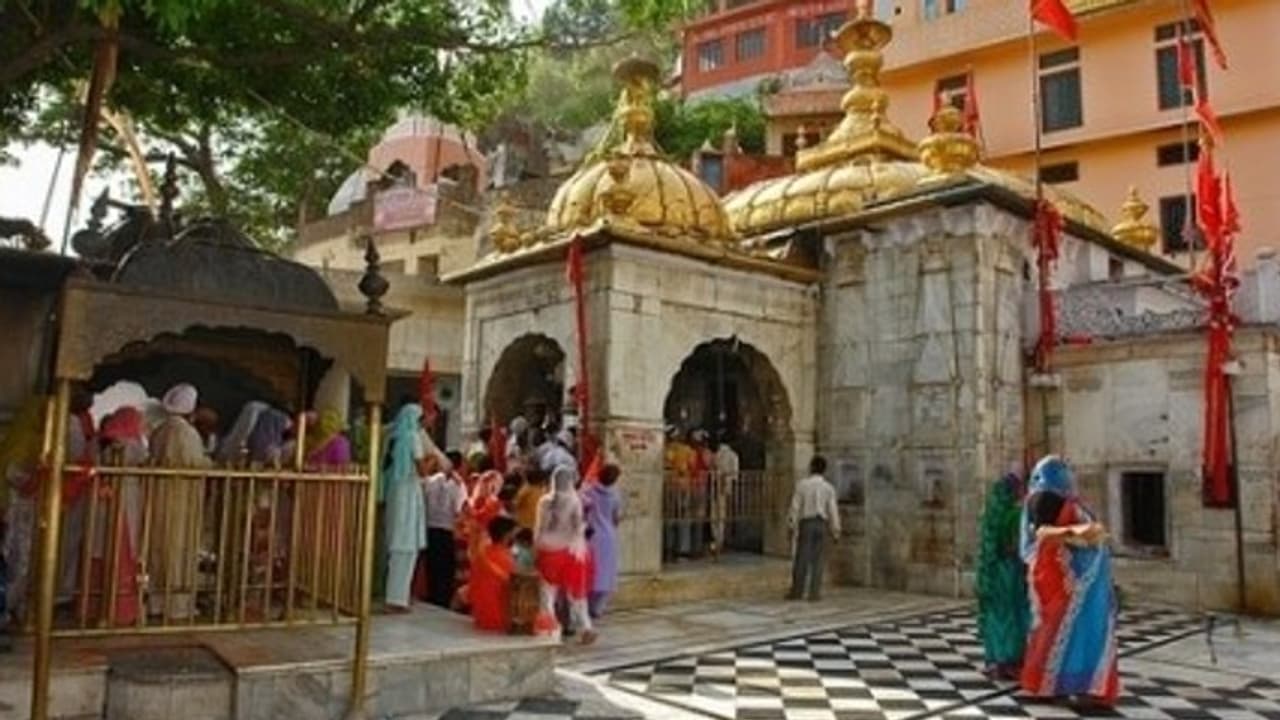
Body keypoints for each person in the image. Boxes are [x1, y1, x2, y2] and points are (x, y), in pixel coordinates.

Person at [1020, 455, 1119, 707]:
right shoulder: (1045, 498)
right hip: (1067, 581)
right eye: (1064, 469)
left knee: (1079, 632)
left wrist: (1088, 536)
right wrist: (1076, 533)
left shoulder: (1066, 500)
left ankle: (1073, 685)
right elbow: (1042, 533)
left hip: (1084, 582)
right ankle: (1063, 685)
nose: (1069, 472)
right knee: (1064, 632)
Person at [148, 383, 211, 619]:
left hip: (161, 497)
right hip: (181, 498)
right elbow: (194, 463)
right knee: (179, 547)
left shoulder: (160, 430)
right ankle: (178, 605)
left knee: (160, 547)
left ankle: (157, 601)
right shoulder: (186, 432)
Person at [91, 406, 145, 626]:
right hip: (124, 500)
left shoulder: (101, 441)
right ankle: (120, 611)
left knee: (101, 553)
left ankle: (96, 608)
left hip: (104, 501)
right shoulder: (129, 444)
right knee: (121, 552)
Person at [975, 472, 1029, 680]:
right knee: (1012, 616)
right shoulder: (1016, 514)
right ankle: (1011, 661)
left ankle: (995, 661)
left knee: (995, 616)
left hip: (992, 571)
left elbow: (988, 547)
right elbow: (1017, 546)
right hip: (1010, 571)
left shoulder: (991, 514)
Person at [533, 465, 595, 644]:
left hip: (547, 550)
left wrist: (536, 548)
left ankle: (551, 631)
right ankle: (586, 627)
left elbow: (539, 529)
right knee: (576, 593)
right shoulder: (575, 501)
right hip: (569, 551)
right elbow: (578, 527)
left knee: (547, 595)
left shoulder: (544, 501)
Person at [381, 403, 432, 612]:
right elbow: (422, 469)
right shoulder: (413, 437)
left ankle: (396, 596)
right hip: (409, 492)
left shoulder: (392, 438)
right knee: (406, 547)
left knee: (398, 547)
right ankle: (397, 599)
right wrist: (432, 460)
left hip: (395, 491)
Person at [1, 397, 44, 628]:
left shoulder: (41, 439)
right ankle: (7, 607)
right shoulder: (24, 438)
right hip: (20, 507)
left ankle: (18, 607)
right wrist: (35, 478)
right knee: (18, 557)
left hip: (35, 509)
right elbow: (12, 472)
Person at [57, 386, 97, 606]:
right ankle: (60, 592)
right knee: (66, 541)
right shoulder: (70, 423)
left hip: (68, 488)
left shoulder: (76, 421)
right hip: (69, 489)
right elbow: (75, 455)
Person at [787, 455, 840, 602]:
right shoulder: (828, 488)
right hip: (822, 523)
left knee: (802, 558)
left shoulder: (802, 485)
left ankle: (797, 591)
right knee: (818, 559)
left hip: (807, 522)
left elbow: (795, 506)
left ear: (811, 467)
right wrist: (836, 530)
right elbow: (832, 510)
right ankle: (814, 593)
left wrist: (791, 524)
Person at [424, 459, 466, 609]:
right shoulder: (458, 485)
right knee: (446, 568)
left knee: (433, 565)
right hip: (447, 529)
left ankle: (433, 596)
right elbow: (459, 510)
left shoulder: (430, 481)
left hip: (430, 527)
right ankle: (443, 598)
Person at [582, 463, 622, 618]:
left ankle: (586, 605)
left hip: (591, 536)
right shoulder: (616, 495)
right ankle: (597, 609)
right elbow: (616, 518)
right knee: (607, 573)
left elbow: (583, 509)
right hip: (609, 537)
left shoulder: (589, 491)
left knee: (591, 570)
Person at [470, 515, 519, 632]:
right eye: (514, 534)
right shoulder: (504, 557)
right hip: (498, 619)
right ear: (507, 535)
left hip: (479, 616)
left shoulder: (484, 553)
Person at [710, 436, 739, 559]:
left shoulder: (716, 455)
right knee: (721, 516)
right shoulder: (733, 456)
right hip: (725, 488)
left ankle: (717, 540)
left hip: (716, 487)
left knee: (715, 515)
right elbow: (735, 474)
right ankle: (719, 541)